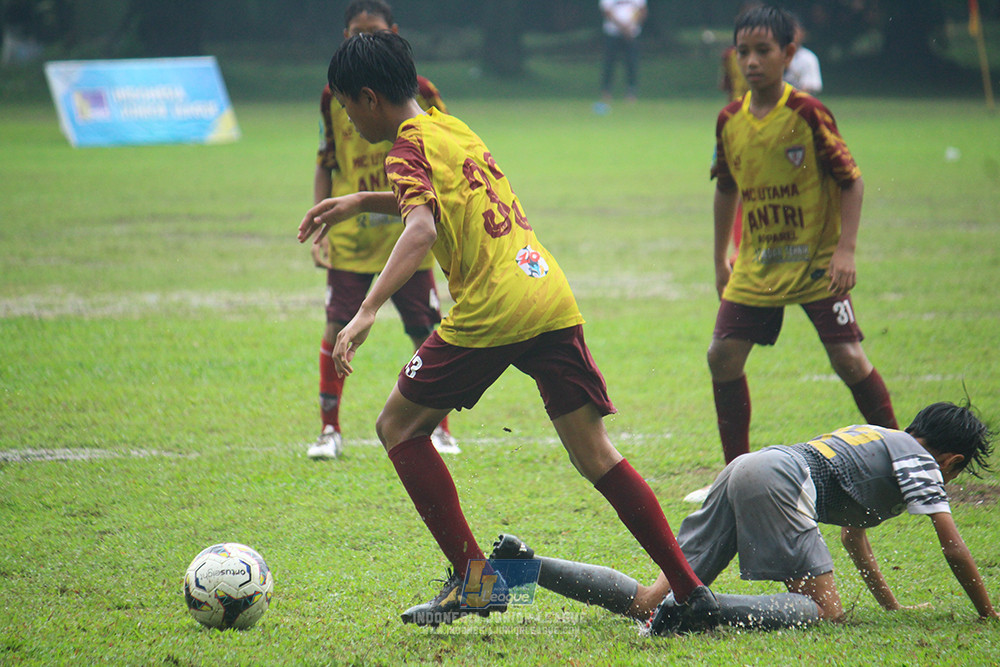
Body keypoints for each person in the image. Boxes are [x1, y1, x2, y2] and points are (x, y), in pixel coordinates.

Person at [299, 29, 730, 628]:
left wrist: (368, 309)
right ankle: (690, 591)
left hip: (494, 306)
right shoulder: (453, 128)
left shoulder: (403, 150)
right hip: (545, 288)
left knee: (397, 426)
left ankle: (475, 583)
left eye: (348, 107)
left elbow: (422, 227)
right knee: (595, 453)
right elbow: (439, 200)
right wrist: (358, 201)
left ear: (369, 98)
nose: (348, 120)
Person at [491, 401, 999, 634]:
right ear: (952, 462)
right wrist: (988, 613)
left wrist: (892, 606)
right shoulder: (923, 463)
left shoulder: (881, 439)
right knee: (824, 612)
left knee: (649, 600)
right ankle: (699, 610)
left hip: (749, 467)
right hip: (781, 480)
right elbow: (952, 545)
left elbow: (854, 539)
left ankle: (522, 566)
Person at [694, 5, 898, 502]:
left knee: (848, 358)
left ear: (788, 54)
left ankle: (904, 458)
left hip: (815, 263)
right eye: (743, 51)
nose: (751, 61)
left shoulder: (807, 113)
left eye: (763, 51)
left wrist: (845, 251)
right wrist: (720, 256)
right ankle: (735, 476)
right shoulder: (730, 119)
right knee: (722, 356)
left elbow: (851, 181)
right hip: (757, 264)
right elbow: (726, 188)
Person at [308, 0, 458, 460]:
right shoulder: (334, 94)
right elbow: (326, 160)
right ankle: (329, 430)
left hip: (409, 232)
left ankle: (441, 428)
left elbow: (444, 160)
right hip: (353, 237)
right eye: (355, 33)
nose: (363, 40)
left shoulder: (419, 94)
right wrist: (323, 221)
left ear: (393, 33)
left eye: (372, 32)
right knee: (337, 326)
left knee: (425, 328)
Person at [599, 0, 647, 101]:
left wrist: (631, 24)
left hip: (632, 33)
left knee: (631, 62)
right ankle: (606, 91)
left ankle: (631, 91)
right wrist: (623, 27)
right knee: (609, 63)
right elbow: (607, 11)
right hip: (612, 33)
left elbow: (641, 10)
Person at [784, 19, 822, 94]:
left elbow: (810, 87)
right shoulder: (775, 55)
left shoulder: (808, 58)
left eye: (793, 32)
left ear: (802, 33)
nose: (790, 36)